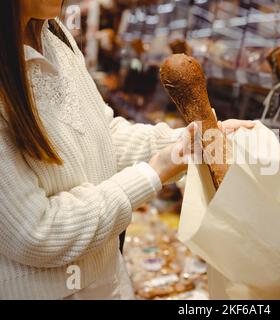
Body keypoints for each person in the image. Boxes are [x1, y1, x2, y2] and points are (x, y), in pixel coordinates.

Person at [0, 0, 254, 299]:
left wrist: (184, 143)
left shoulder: (56, 36)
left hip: (111, 281)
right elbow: (35, 232)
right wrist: (152, 174)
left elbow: (101, 135)